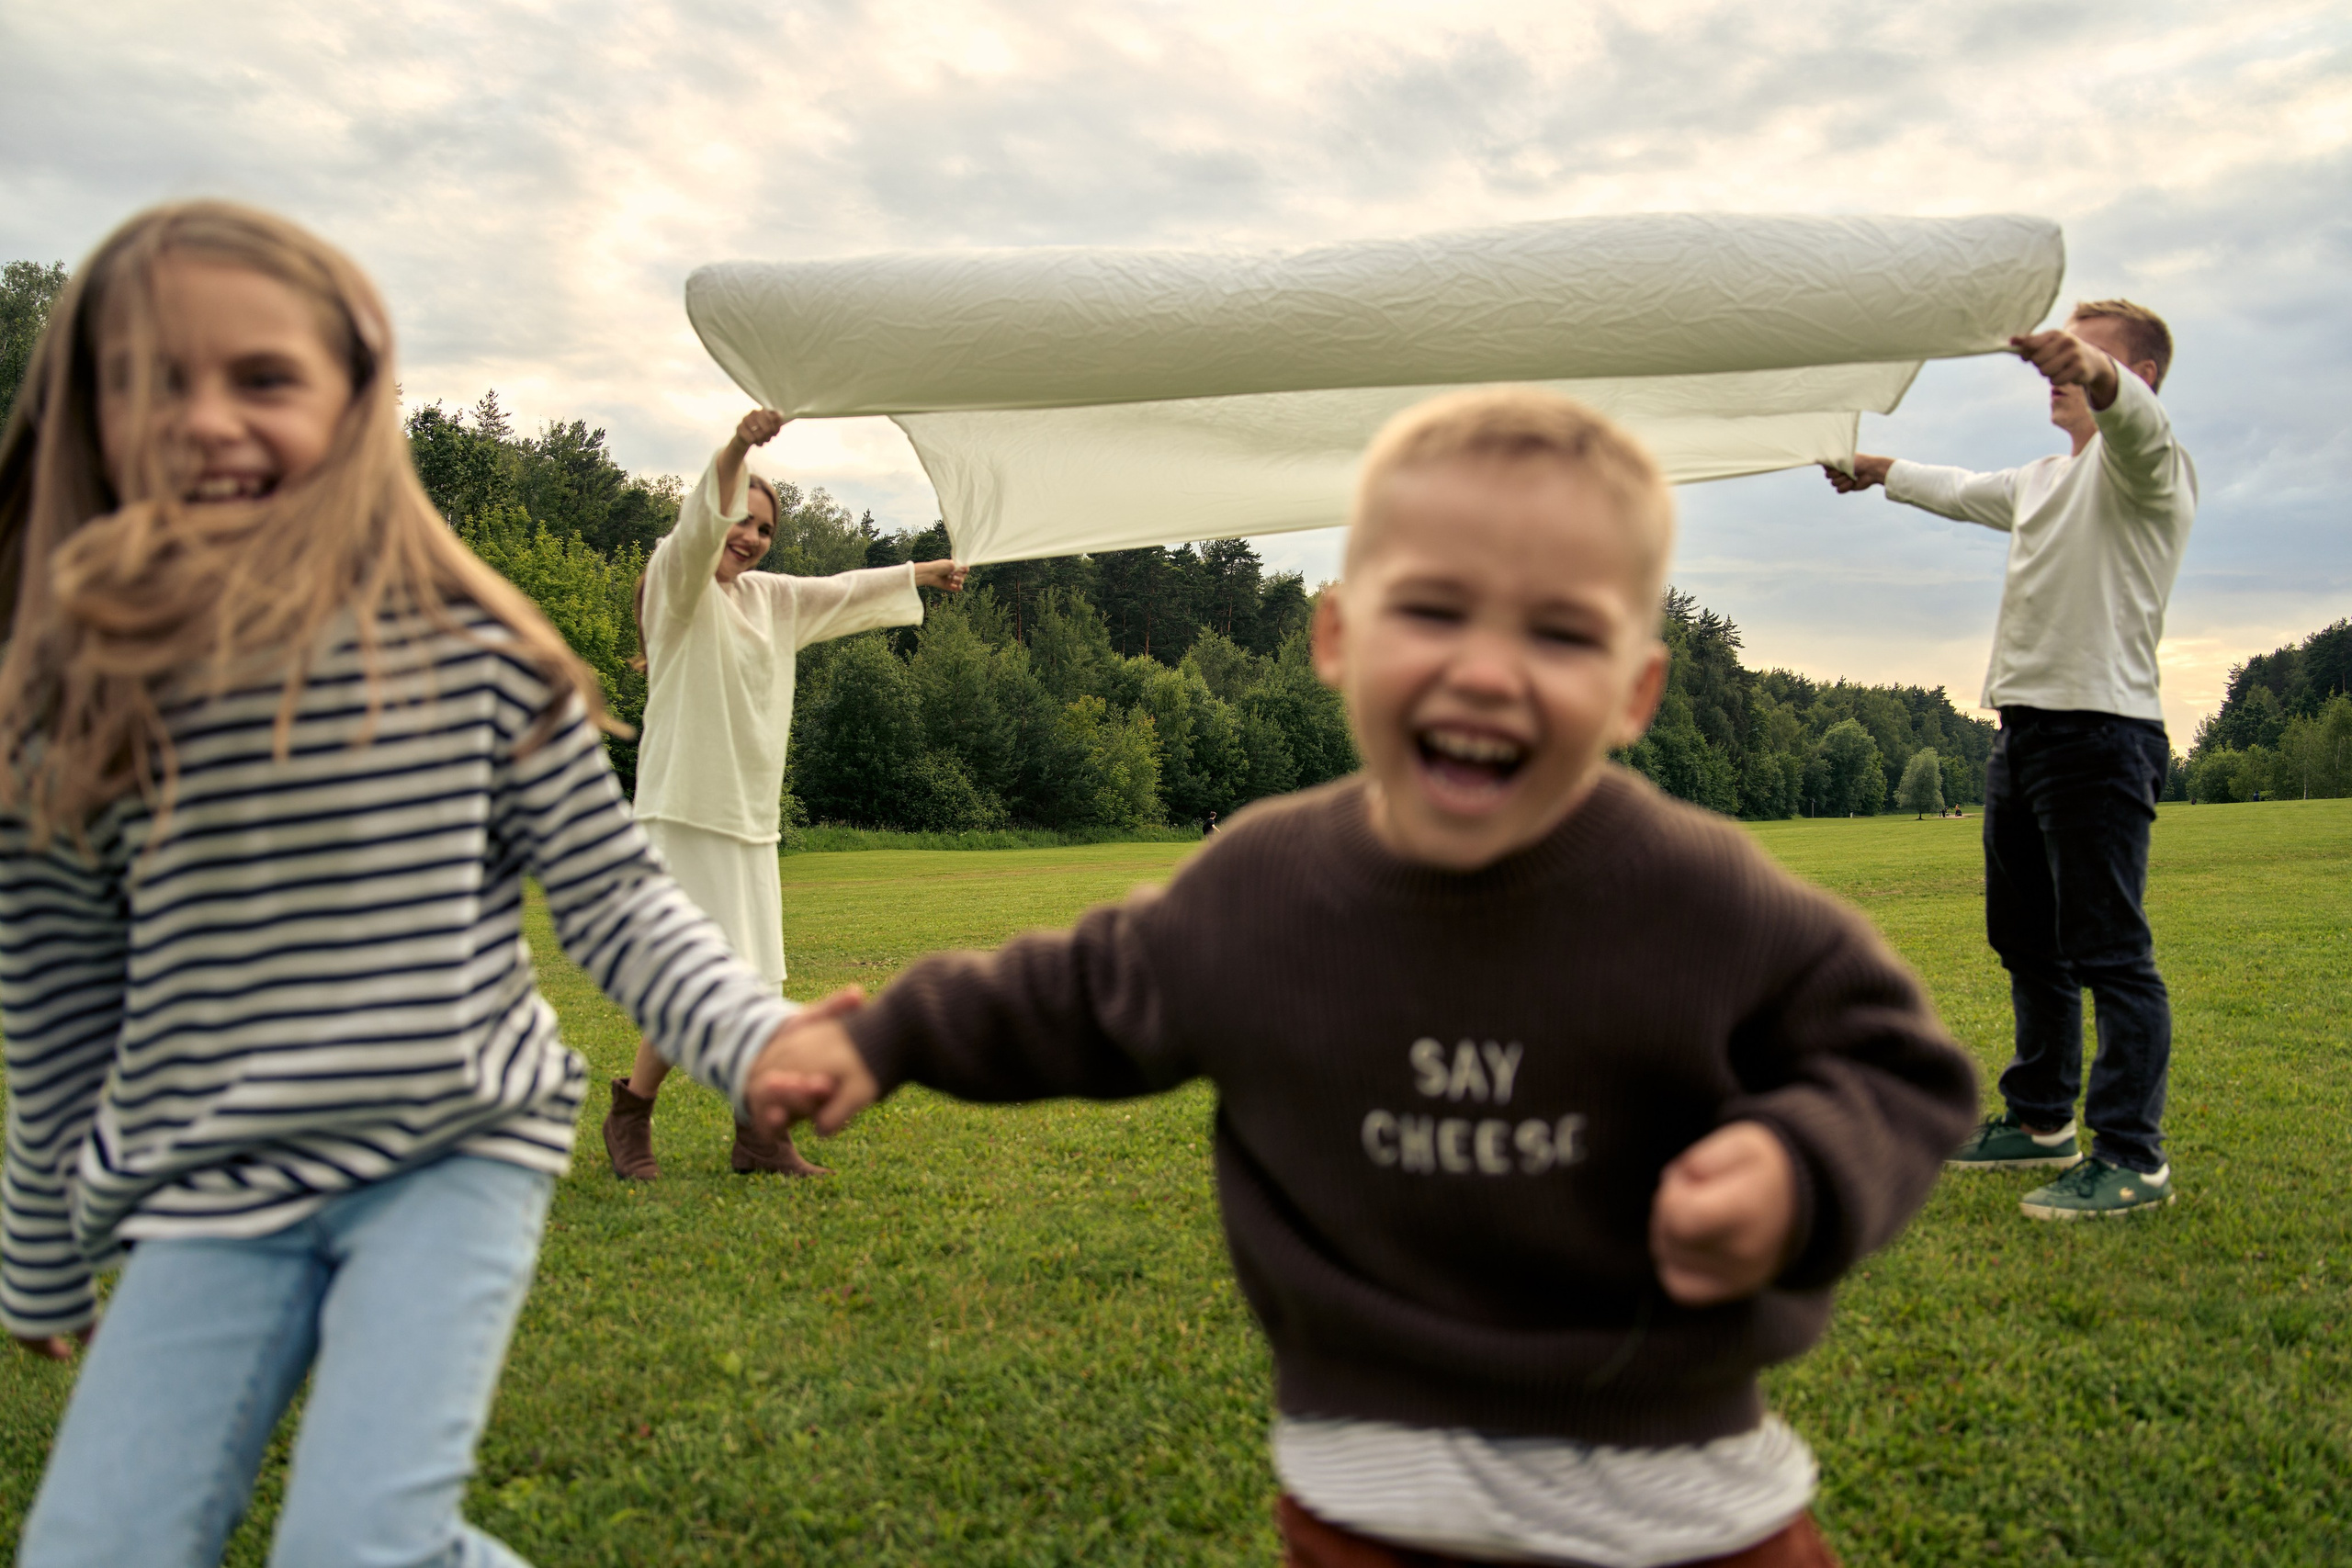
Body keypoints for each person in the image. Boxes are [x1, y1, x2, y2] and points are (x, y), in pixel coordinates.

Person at [748, 389, 1978, 1568]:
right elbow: (1078, 993)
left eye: (1560, 631)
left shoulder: (1699, 894)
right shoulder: (1265, 888)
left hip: (1675, 1497)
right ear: (1338, 636)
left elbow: (1895, 1062)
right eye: (1434, 611)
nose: (1489, 671)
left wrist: (1799, 1168)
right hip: (1367, 1498)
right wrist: (887, 1037)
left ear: (1634, 691)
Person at [0, 200, 833, 1567]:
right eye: (150, 378)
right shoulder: (67, 704)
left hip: (443, 1154)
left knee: (359, 1542)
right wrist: (40, 1236)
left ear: (352, 411)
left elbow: (618, 904)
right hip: (212, 1178)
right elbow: (56, 993)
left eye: (261, 376)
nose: (207, 416)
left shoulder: (473, 665)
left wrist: (755, 1035)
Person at [1823, 300, 2195, 1221]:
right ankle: (2039, 1124)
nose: (2063, 373)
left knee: (2109, 952)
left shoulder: (2149, 468)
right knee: (2026, 941)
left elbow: (2134, 419)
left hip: (2101, 736)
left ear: (2136, 376)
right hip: (2023, 734)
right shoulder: (2039, 482)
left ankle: (2131, 1156)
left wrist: (2098, 374)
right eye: (2064, 355)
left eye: (2088, 359)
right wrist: (1877, 472)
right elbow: (1956, 489)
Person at [598, 409, 966, 1181]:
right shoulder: (677, 585)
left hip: (748, 819)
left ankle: (758, 1136)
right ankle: (630, 1114)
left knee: (758, 980)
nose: (750, 537)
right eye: (741, 521)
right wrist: (736, 448)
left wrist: (925, 572)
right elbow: (696, 525)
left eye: (764, 529)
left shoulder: (770, 600)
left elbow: (840, 590)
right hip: (683, 811)